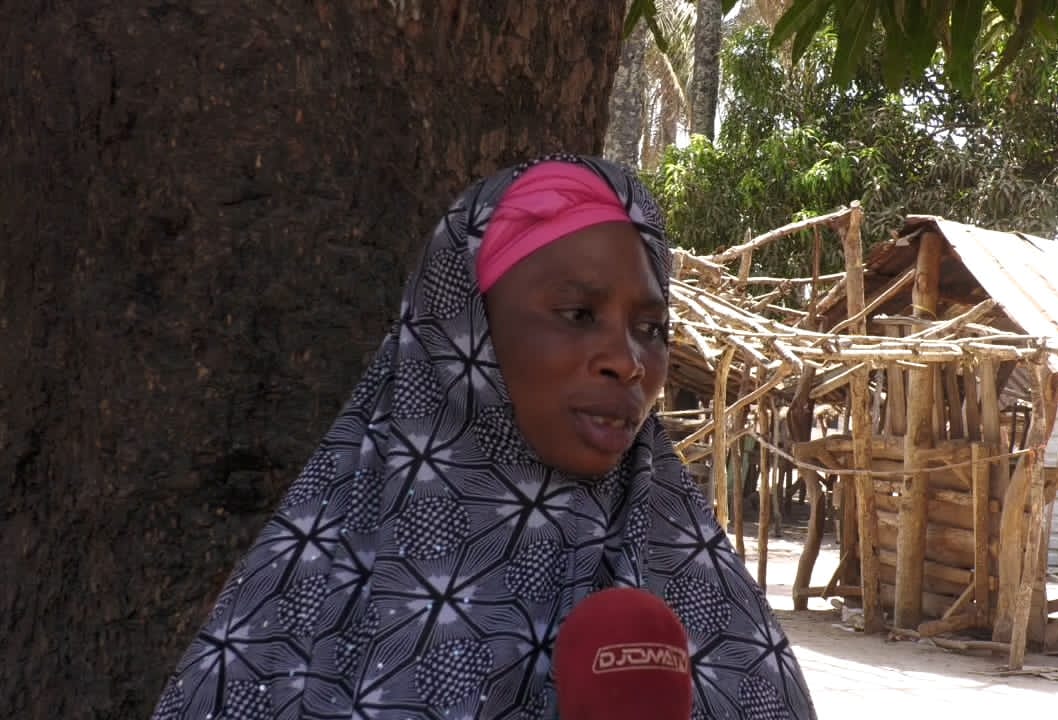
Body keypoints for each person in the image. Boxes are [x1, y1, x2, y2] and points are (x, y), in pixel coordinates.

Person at [151, 154, 817, 719]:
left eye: (650, 328)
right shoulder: (293, 618)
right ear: (464, 327)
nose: (627, 360)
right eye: (578, 314)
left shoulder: (715, 614)